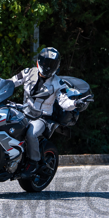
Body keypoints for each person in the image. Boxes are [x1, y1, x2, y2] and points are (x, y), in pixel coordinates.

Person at [9, 47, 87, 177]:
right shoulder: (28, 72)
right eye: (45, 62)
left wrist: (74, 104)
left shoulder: (58, 83)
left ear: (57, 66)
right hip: (24, 111)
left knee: (31, 134)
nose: (47, 66)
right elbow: (10, 83)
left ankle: (33, 162)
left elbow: (63, 101)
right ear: (39, 61)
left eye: (51, 64)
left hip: (42, 117)